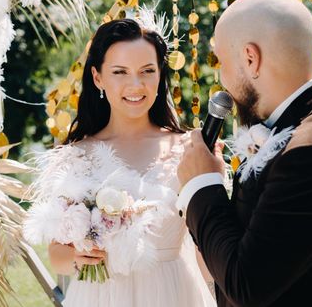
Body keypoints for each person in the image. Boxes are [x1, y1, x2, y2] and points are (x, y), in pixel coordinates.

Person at [177, 0, 312, 307]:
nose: (221, 79)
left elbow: (247, 285)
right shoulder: (310, 126)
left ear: (250, 58)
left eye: (221, 62)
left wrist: (202, 185)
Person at [31, 18, 216, 307]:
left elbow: (208, 245)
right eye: (120, 72)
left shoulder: (190, 148)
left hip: (173, 294)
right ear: (98, 78)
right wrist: (79, 258)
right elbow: (57, 254)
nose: (136, 84)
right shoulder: (76, 154)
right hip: (100, 296)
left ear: (159, 75)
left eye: (147, 71)